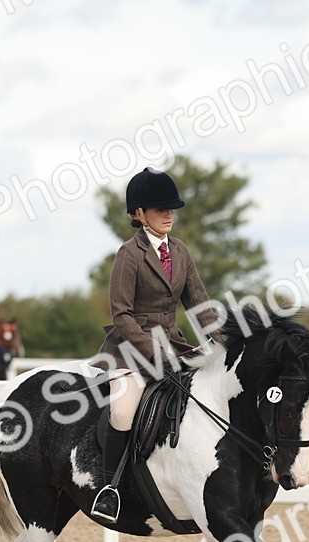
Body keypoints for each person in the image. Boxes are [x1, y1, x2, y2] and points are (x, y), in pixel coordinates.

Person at [90, 167, 218, 522]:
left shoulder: (180, 251)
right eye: (160, 209)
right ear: (138, 214)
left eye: (171, 208)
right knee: (123, 411)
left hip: (174, 346)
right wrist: (152, 352)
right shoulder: (129, 254)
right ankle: (110, 489)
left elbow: (200, 307)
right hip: (130, 351)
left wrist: (227, 343)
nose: (168, 214)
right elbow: (121, 314)